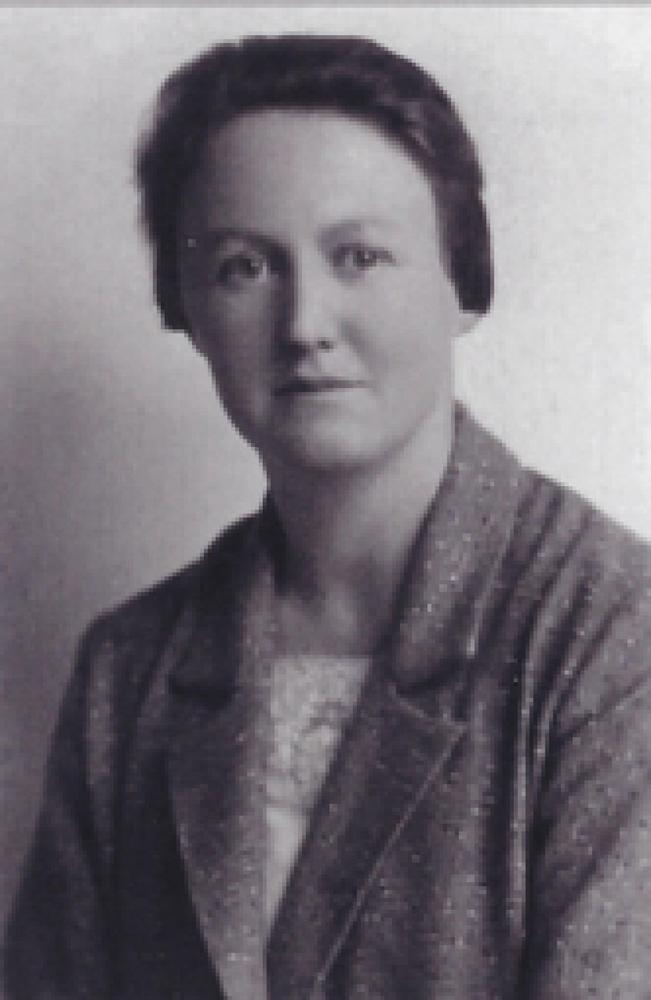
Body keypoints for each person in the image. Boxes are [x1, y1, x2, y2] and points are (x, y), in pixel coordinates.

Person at [4, 33, 651, 1000]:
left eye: (359, 256)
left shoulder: (611, 636)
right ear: (183, 307)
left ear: (461, 285)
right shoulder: (129, 671)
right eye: (243, 267)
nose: (305, 321)